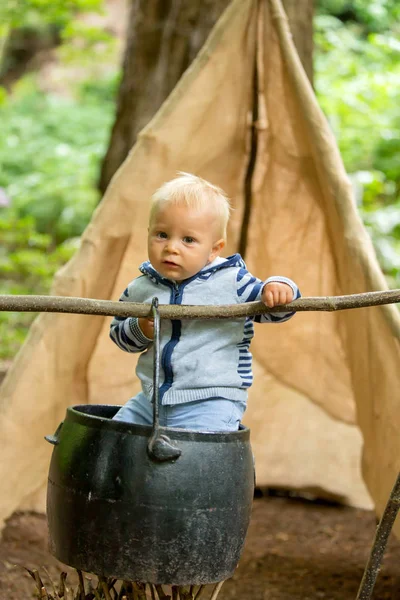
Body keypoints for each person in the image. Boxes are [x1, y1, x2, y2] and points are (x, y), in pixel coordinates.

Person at [110, 172, 300, 432]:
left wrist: (279, 287)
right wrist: (139, 329)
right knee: (113, 440)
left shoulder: (231, 282)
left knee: (198, 461)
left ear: (213, 249)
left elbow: (274, 310)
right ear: (148, 233)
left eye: (188, 240)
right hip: (151, 400)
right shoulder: (142, 287)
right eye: (162, 235)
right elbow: (119, 335)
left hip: (212, 400)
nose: (171, 248)